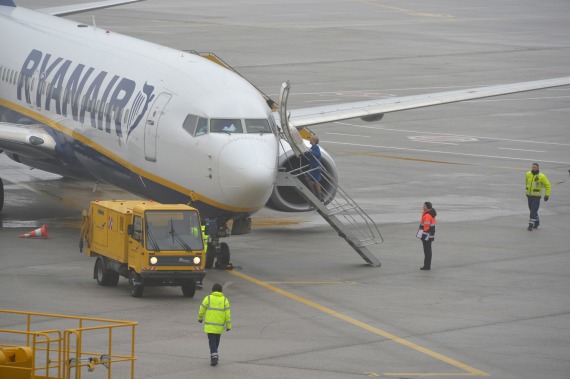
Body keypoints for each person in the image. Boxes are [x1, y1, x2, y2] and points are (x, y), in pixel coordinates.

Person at [198, 283, 232, 366]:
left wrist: (200, 318)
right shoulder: (224, 300)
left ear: (212, 290)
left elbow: (202, 309)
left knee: (212, 341)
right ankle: (215, 354)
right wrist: (228, 326)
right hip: (219, 326)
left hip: (210, 326)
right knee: (216, 341)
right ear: (221, 291)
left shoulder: (208, 298)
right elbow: (228, 314)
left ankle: (214, 357)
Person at [525, 163, 551, 231]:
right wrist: (527, 191)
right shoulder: (528, 174)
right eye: (532, 167)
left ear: (538, 168)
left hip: (536, 197)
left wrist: (547, 195)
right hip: (529, 196)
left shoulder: (542, 176)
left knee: (533, 211)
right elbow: (527, 183)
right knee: (532, 210)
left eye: (535, 167)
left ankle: (531, 224)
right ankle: (537, 222)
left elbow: (547, 185)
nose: (533, 168)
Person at [418, 202, 437, 270]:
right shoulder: (431, 214)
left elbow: (426, 227)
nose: (423, 207)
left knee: (427, 251)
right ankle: (427, 265)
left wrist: (422, 235)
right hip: (430, 235)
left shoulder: (427, 215)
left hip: (426, 235)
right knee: (428, 250)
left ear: (427, 207)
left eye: (424, 206)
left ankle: (427, 266)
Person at [304, 135, 323, 201]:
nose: (310, 140)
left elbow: (318, 154)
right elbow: (310, 155)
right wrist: (305, 152)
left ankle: (316, 194)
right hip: (313, 166)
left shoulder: (316, 147)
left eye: (310, 139)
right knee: (314, 181)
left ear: (313, 140)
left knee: (311, 180)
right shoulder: (312, 147)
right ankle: (318, 196)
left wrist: (310, 151)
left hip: (316, 167)